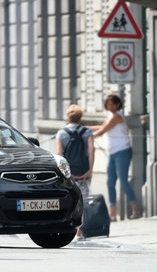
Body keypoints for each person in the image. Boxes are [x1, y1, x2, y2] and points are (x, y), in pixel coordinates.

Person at [92, 93, 140, 221]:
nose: (110, 106)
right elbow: (101, 127)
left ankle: (135, 209)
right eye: (108, 104)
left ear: (118, 104)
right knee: (110, 182)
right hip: (113, 152)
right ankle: (112, 213)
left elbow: (102, 131)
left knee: (123, 181)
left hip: (122, 151)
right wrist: (83, 128)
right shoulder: (110, 116)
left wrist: (88, 135)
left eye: (112, 104)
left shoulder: (117, 116)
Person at [55, 104, 95, 239]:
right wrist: (89, 170)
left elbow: (59, 153)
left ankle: (72, 226)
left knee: (71, 199)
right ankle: (81, 230)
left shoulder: (62, 133)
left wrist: (65, 172)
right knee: (84, 198)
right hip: (83, 170)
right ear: (80, 117)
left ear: (68, 117)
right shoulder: (87, 132)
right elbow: (91, 150)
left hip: (69, 171)